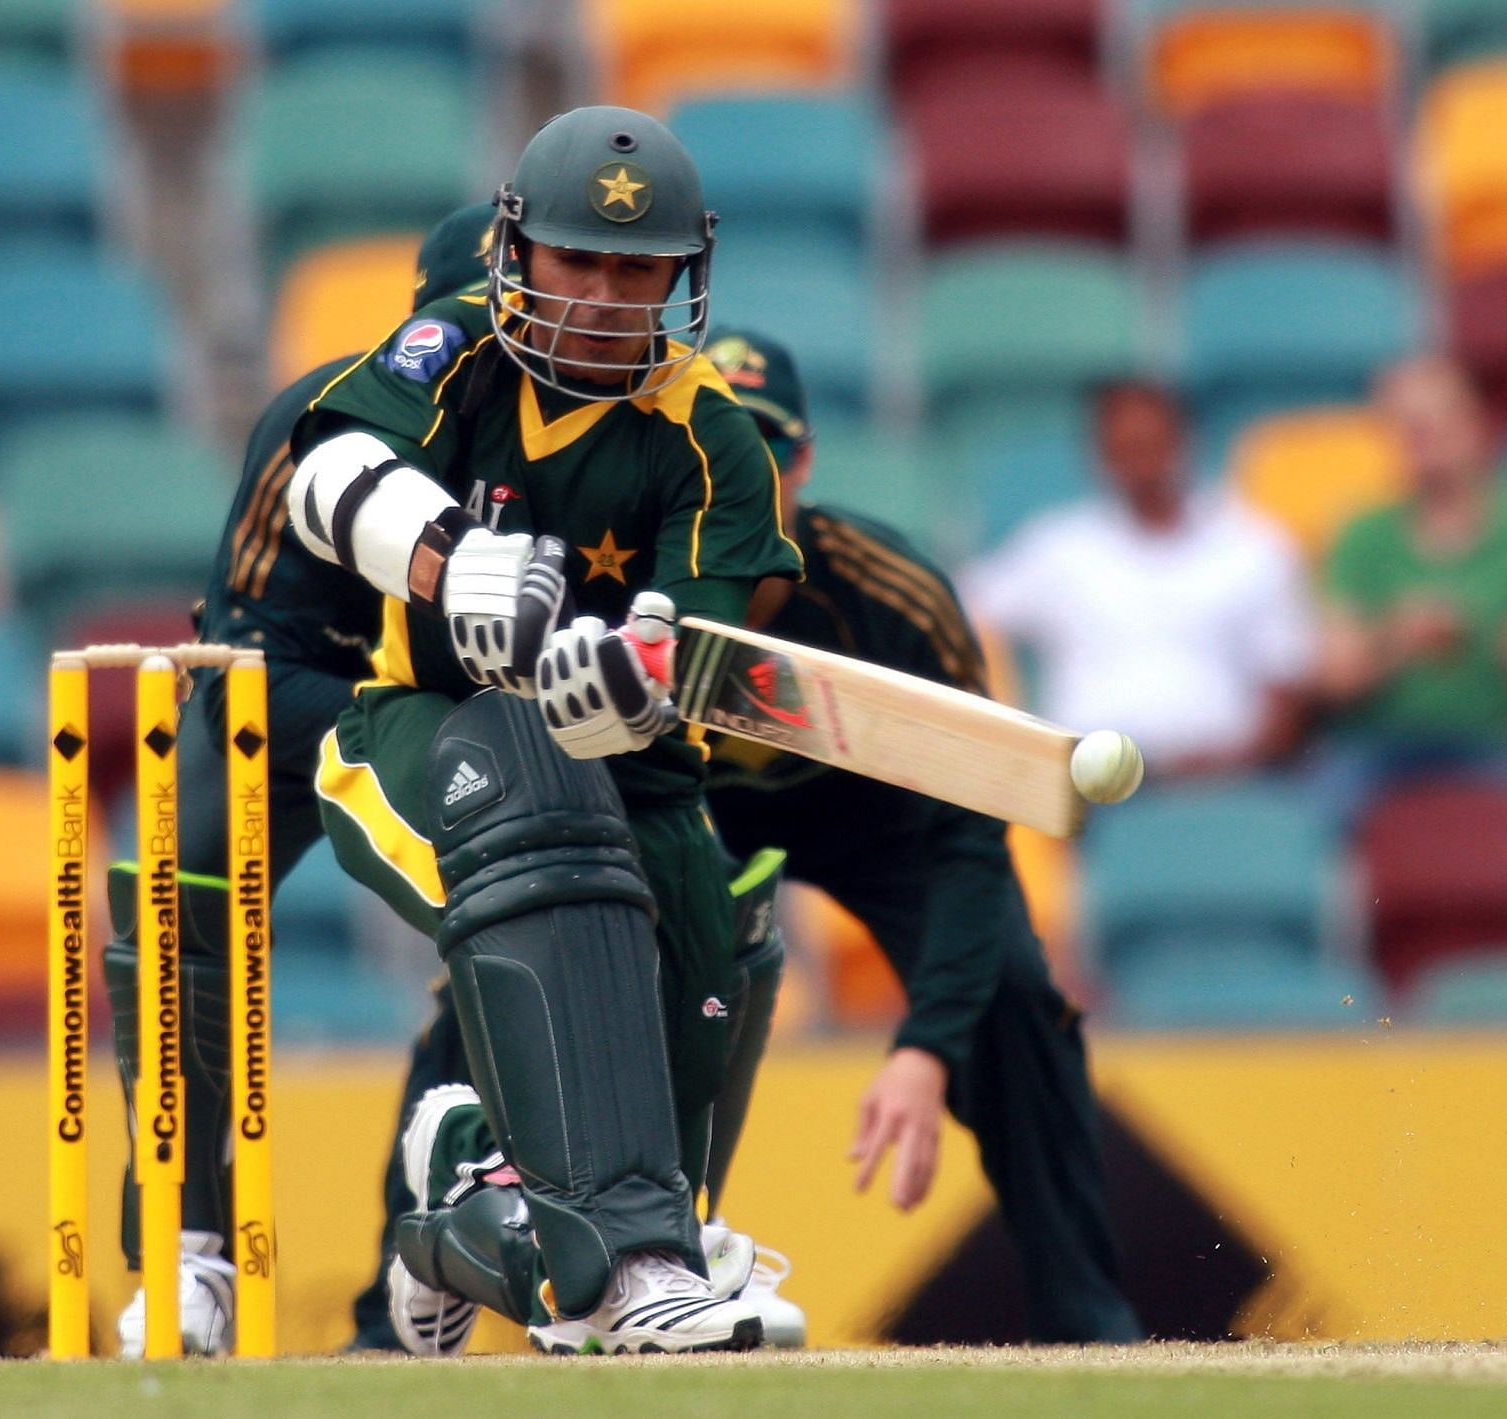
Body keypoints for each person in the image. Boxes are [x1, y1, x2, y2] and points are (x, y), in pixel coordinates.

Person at [364, 330, 1145, 1348]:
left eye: (762, 449)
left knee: (1015, 998)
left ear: (802, 463)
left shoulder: (891, 595)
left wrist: (924, 1050)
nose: (740, 473)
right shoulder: (611, 566)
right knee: (510, 953)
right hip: (674, 804)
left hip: (875, 823)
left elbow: (969, 845)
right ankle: (412, 1301)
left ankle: (1087, 1315)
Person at [287, 105, 801, 1355]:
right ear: (518, 249)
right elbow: (321, 476)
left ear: (685, 275)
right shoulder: (452, 348)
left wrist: (640, 676)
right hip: (415, 735)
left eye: (639, 268)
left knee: (704, 962)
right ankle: (633, 1268)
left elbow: (702, 624)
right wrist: (448, 562)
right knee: (538, 789)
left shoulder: (709, 437)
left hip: (641, 790)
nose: (605, 296)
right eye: (580, 258)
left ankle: (466, 1212)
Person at [98, 203, 497, 1357]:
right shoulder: (321, 418)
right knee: (174, 900)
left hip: (474, 727)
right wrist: (397, 722)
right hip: (298, 709)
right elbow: (240, 662)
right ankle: (187, 1255)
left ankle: (438, 1260)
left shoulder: (565, 436)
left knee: (541, 915)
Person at [962, 381, 1315, 780]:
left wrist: (1229, 766)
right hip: (1087, 782)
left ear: (1185, 442)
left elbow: (1288, 688)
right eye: (1125, 449)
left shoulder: (1253, 546)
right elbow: (960, 610)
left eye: (1152, 445)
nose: (1141, 464)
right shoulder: (1059, 548)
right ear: (1099, 454)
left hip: (1226, 780)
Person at [1316, 356, 1507, 771]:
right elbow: (1334, 682)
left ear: (1478, 426)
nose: (1423, 439)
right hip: (1376, 745)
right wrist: (1397, 640)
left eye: (1437, 422)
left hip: (1494, 739)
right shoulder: (1361, 535)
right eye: (1407, 426)